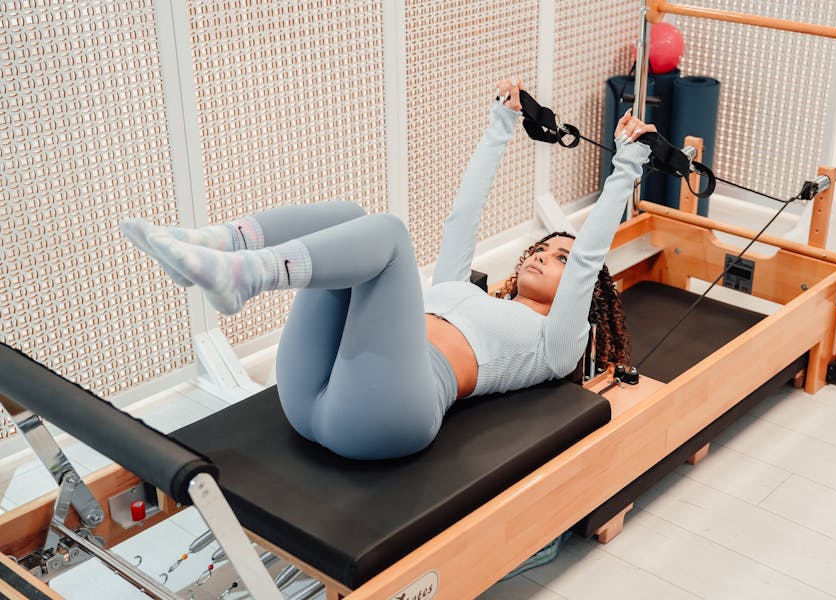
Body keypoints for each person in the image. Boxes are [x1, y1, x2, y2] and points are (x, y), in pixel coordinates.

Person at [121, 79, 655, 460]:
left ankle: (245, 275)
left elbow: (589, 257)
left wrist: (628, 164)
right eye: (544, 248)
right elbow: (461, 218)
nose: (544, 254)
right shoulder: (460, 290)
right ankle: (219, 242)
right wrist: (501, 125)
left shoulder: (554, 342)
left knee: (390, 235)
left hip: (391, 414)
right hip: (312, 392)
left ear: (582, 296)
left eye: (561, 259)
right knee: (351, 219)